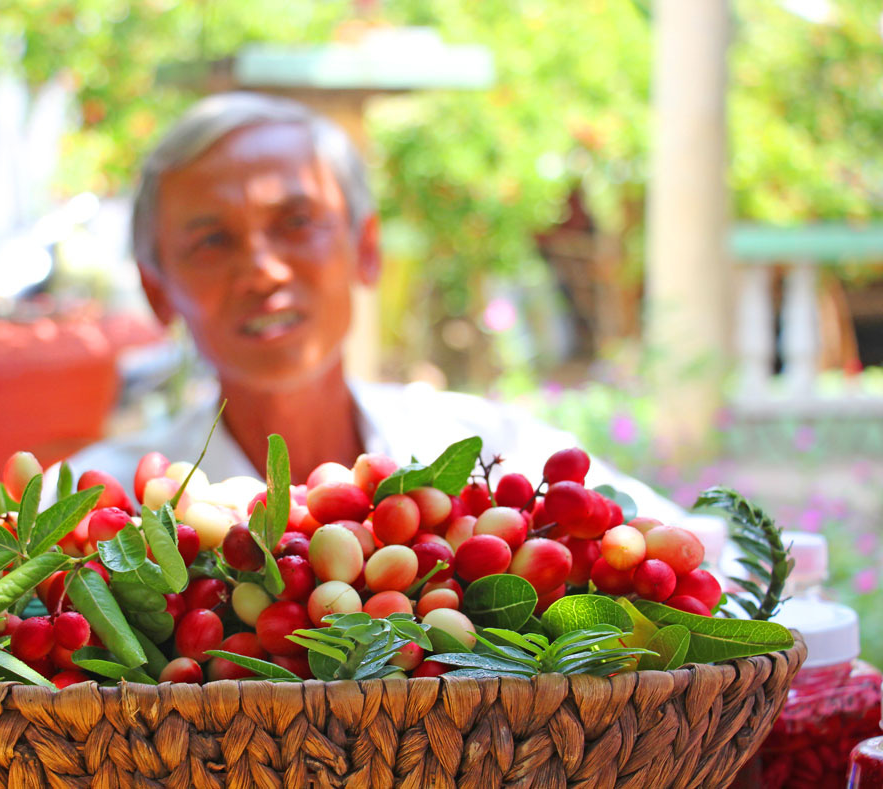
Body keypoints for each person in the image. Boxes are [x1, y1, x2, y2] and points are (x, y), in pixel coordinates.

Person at [57, 92, 680, 521]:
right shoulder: (101, 510)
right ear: (157, 291)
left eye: (296, 222)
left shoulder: (489, 456)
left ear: (366, 249)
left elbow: (706, 560)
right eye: (211, 240)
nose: (263, 269)